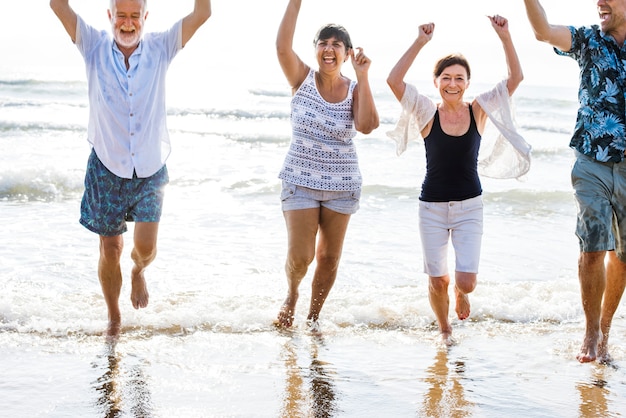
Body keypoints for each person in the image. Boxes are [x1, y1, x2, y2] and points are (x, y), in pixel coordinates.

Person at [49, 0, 212, 340]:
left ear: (145, 18)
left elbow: (202, 14)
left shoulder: (161, 46)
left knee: (145, 248)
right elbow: (57, 4)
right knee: (110, 249)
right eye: (120, 16)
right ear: (109, 17)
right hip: (107, 166)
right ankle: (113, 316)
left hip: (151, 169)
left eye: (134, 16)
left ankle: (138, 271)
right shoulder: (93, 45)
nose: (127, 24)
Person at [386, 16, 531, 346]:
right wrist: (420, 42)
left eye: (459, 78)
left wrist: (505, 36)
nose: (453, 83)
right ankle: (444, 329)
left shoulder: (479, 110)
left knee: (465, 282)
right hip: (432, 207)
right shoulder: (425, 112)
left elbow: (516, 78)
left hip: (469, 206)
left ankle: (461, 296)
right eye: (446, 77)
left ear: (467, 82)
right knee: (437, 280)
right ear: (436, 81)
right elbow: (394, 81)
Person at [522, 0, 626, 363]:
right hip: (591, 161)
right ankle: (590, 331)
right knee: (593, 246)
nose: (600, 2)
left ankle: (607, 328)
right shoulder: (587, 41)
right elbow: (543, 31)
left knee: (624, 256)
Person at [274, 0, 379, 329]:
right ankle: (291, 295)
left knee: (329, 259)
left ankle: (313, 318)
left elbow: (367, 126)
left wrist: (363, 77)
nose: (329, 49)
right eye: (324, 43)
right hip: (300, 181)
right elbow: (281, 46)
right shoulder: (301, 78)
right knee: (302, 256)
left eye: (337, 44)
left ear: (348, 53)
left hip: (342, 186)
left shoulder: (354, 88)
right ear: (316, 50)